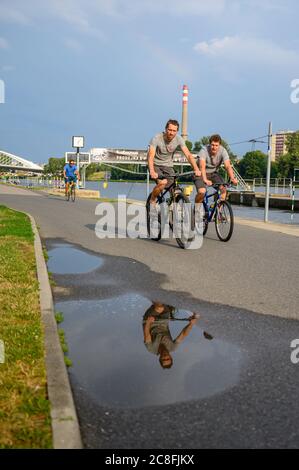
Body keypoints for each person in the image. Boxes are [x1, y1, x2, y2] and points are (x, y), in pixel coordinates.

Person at [148, 119, 201, 206]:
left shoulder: (178, 139)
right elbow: (150, 156)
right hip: (155, 164)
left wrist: (196, 168)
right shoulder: (157, 138)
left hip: (168, 166)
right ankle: (152, 199)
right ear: (165, 129)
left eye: (174, 131)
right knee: (162, 183)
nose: (171, 133)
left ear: (177, 131)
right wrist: (152, 171)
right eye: (169, 130)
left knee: (175, 190)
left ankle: (171, 209)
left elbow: (188, 155)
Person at [142, 302, 199, 369]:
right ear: (170, 357)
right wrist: (191, 324)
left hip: (150, 321)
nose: (165, 357)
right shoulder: (173, 347)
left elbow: (146, 333)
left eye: (164, 359)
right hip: (164, 319)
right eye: (167, 359)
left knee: (159, 308)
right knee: (165, 304)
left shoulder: (151, 349)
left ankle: (154, 297)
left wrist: (148, 322)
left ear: (160, 359)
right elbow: (183, 334)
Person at [193, 134, 238, 211]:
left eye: (216, 145)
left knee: (223, 190)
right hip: (200, 173)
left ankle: (218, 212)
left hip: (213, 173)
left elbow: (227, 166)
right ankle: (196, 209)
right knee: (202, 191)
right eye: (212, 145)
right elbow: (202, 167)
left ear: (219, 145)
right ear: (209, 144)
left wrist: (232, 178)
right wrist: (205, 180)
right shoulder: (204, 150)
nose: (214, 147)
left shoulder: (223, 151)